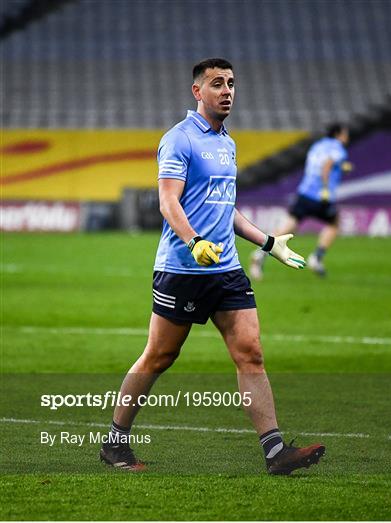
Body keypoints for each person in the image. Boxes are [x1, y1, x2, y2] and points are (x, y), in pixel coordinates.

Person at [99, 58, 325, 474]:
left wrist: (269, 242)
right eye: (217, 84)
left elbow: (226, 210)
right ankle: (114, 443)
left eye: (232, 84)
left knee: (251, 353)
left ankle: (275, 452)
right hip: (183, 269)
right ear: (197, 92)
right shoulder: (179, 139)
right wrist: (194, 241)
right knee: (159, 356)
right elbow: (169, 202)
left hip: (226, 270)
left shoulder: (228, 143)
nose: (227, 91)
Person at [250, 123, 352, 280]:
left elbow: (318, 164)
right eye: (345, 133)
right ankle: (317, 258)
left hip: (304, 193)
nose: (347, 137)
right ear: (338, 134)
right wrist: (325, 188)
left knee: (289, 227)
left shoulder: (318, 146)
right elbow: (326, 165)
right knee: (335, 223)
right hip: (320, 196)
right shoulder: (337, 147)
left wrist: (340, 167)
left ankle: (261, 252)